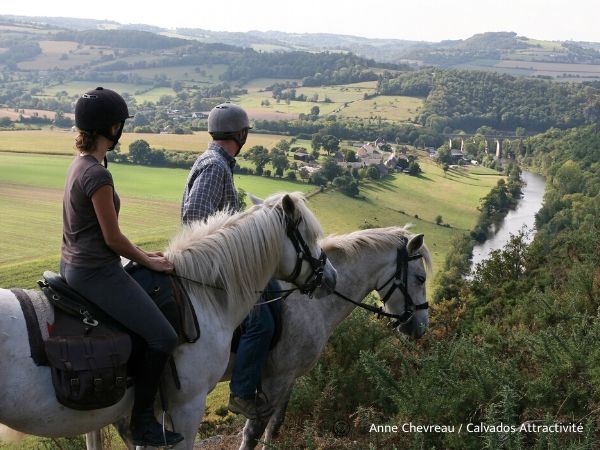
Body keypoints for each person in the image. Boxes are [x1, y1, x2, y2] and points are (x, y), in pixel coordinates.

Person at [60, 87, 184, 447]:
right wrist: (149, 262)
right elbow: (113, 239)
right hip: (96, 271)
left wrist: (144, 253)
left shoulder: (79, 165)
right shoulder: (98, 176)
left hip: (72, 264)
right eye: (119, 124)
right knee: (163, 336)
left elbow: (98, 232)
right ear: (111, 128)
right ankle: (142, 422)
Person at [181, 102, 276, 420]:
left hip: (218, 264)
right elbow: (194, 216)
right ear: (241, 133)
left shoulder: (217, 163)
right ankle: (243, 392)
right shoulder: (215, 166)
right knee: (261, 323)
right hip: (214, 270)